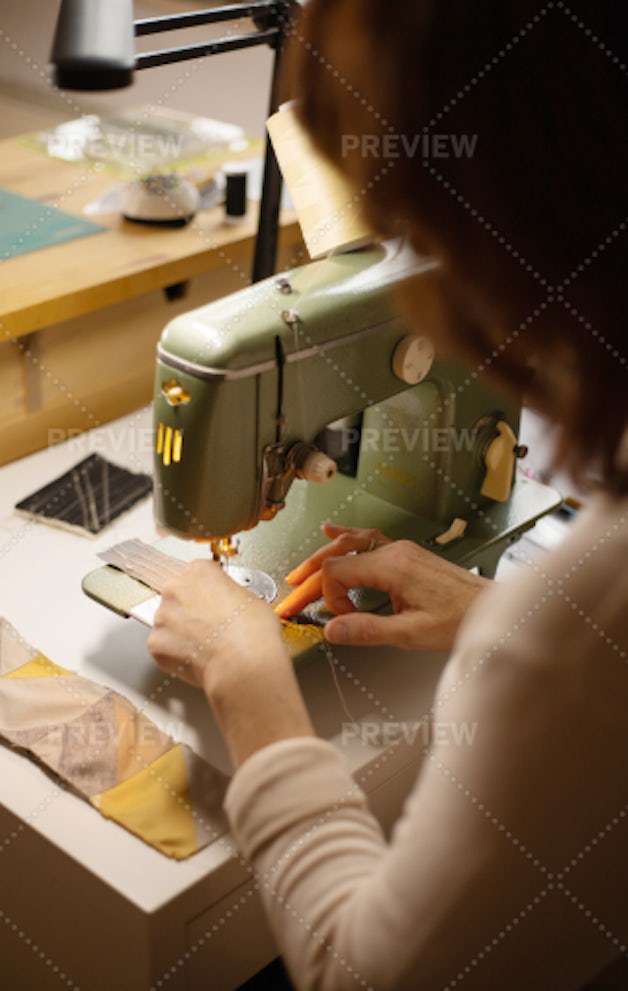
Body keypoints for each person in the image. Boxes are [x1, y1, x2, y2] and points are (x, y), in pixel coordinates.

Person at [148, 1, 627, 987]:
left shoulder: (589, 615)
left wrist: (254, 689)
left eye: (412, 224)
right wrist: (497, 612)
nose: (410, 290)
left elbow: (361, 975)